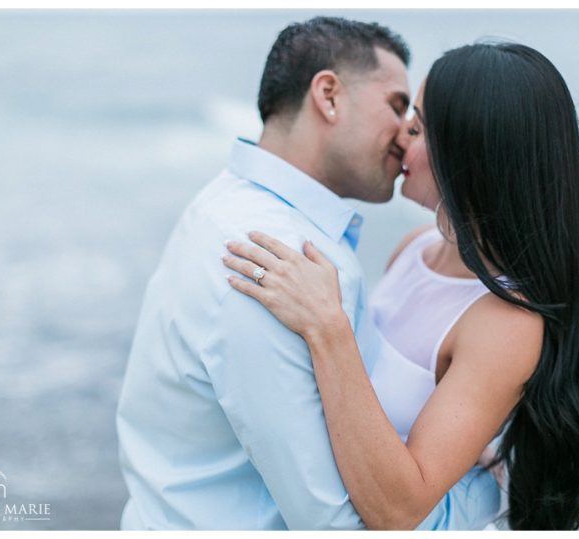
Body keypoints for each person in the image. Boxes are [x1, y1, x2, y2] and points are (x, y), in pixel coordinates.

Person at [222, 42, 579, 530]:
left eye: (422, 124)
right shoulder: (412, 249)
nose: (401, 132)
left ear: (471, 153)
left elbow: (398, 510)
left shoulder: (505, 322)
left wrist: (328, 328)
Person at [116, 17, 499, 530]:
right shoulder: (273, 257)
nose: (406, 132)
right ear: (329, 95)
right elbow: (339, 522)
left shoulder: (224, 203)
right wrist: (492, 493)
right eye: (395, 105)